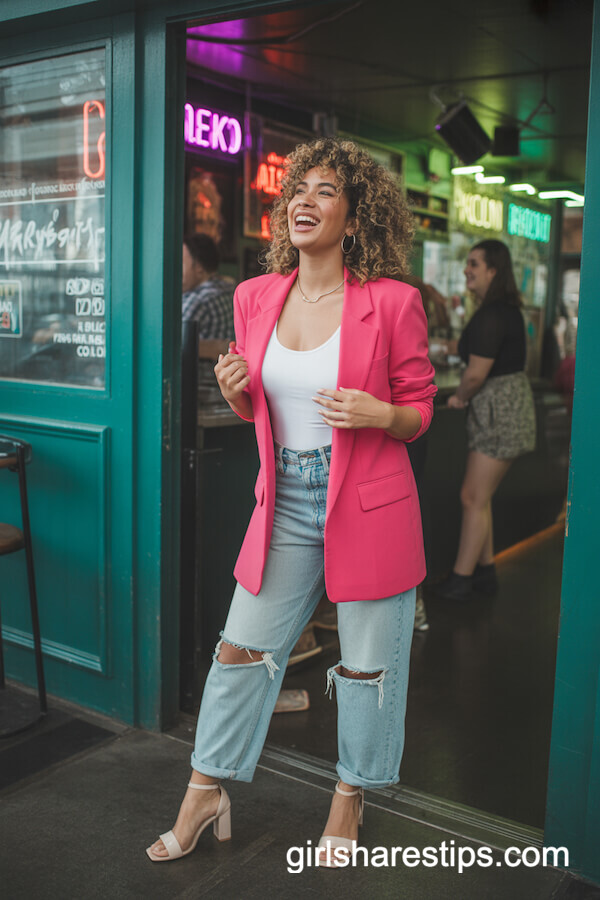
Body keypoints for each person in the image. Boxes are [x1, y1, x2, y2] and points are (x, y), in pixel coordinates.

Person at [147, 138, 436, 867]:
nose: (305, 200)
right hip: (284, 498)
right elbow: (262, 409)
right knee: (239, 652)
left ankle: (350, 795)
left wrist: (380, 413)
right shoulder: (255, 296)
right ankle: (205, 789)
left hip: (367, 501)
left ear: (355, 216)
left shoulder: (392, 301)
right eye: (298, 190)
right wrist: (235, 392)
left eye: (326, 190)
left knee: (365, 668)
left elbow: (420, 410)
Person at [438, 239, 536, 600]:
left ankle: (461, 580)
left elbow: (477, 373)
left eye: (474, 264)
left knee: (471, 496)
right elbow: (474, 350)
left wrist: (460, 397)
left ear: (493, 271)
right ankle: (485, 572)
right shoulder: (502, 311)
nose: (467, 269)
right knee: (481, 497)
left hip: (498, 411)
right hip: (506, 409)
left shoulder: (492, 314)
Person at [181, 233, 235, 398]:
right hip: (226, 391)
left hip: (197, 394)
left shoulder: (197, 300)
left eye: (181, 263)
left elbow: (169, 344)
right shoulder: (230, 290)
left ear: (198, 267)